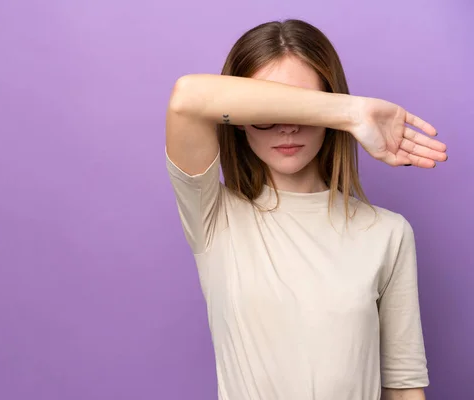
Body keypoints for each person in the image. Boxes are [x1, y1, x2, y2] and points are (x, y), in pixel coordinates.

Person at [164, 19, 447, 400]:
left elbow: (403, 388)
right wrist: (351, 112)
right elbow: (187, 99)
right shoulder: (214, 217)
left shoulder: (388, 233)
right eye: (267, 105)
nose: (287, 128)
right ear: (241, 122)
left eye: (303, 108)